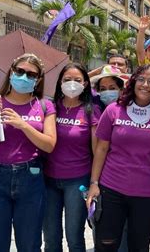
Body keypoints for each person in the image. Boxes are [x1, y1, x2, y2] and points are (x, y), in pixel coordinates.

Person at [0, 53, 57, 252]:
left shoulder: (45, 105)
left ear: (38, 80)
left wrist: (23, 125)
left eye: (31, 74)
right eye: (20, 71)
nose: (24, 77)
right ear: (11, 72)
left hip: (31, 177)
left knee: (29, 245)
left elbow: (49, 145)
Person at [86, 64, 150, 251]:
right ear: (132, 82)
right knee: (106, 245)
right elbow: (101, 148)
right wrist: (94, 183)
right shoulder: (114, 110)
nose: (145, 84)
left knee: (139, 247)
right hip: (112, 189)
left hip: (148, 195)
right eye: (141, 79)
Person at [43, 63, 101, 251]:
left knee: (74, 236)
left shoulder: (91, 111)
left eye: (77, 80)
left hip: (78, 181)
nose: (72, 84)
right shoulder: (50, 108)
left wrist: (94, 182)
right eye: (67, 79)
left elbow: (97, 151)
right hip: (48, 180)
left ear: (85, 84)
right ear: (60, 82)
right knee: (51, 237)